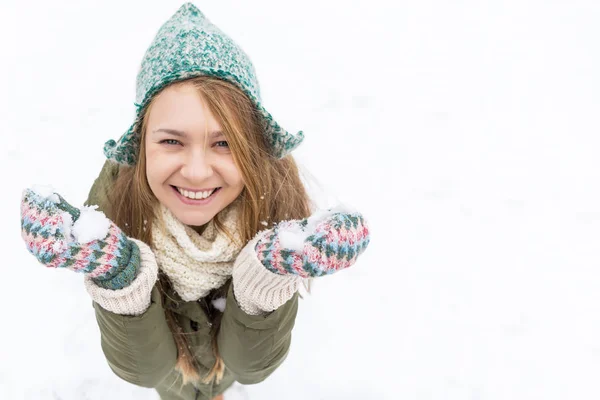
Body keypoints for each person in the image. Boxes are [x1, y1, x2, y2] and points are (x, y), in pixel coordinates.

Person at [20, 3, 370, 400]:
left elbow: (252, 367)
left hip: (234, 354)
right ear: (142, 147)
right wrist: (121, 277)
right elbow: (143, 368)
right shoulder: (115, 209)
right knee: (174, 388)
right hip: (164, 365)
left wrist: (267, 277)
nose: (198, 171)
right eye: (172, 141)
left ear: (253, 148)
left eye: (224, 143)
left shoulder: (274, 208)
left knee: (222, 382)